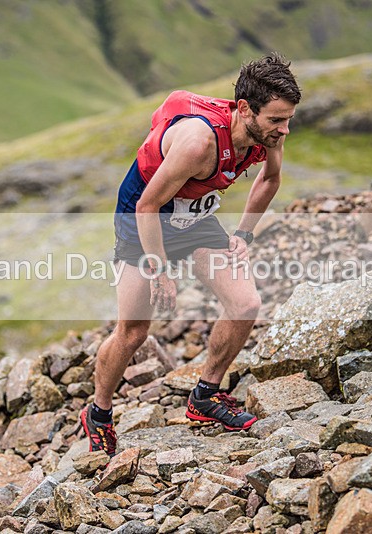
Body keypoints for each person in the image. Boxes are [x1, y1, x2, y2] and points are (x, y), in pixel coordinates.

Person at [81, 53, 301, 456]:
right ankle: (98, 413)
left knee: (245, 303)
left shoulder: (268, 134)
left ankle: (204, 397)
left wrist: (244, 235)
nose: (283, 130)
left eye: (288, 119)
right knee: (134, 331)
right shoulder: (198, 145)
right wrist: (160, 269)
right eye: (275, 120)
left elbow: (270, 179)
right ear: (244, 110)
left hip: (194, 217)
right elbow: (147, 207)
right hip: (144, 215)